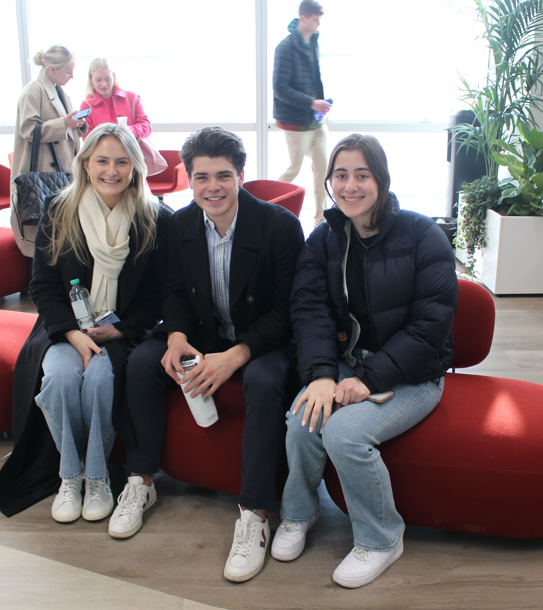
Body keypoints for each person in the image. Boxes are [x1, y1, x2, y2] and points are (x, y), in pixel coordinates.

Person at [116, 127, 305, 583]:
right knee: (143, 361)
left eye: (223, 175)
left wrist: (237, 355)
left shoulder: (279, 226)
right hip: (201, 333)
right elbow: (174, 291)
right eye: (201, 177)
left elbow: (287, 311)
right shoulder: (179, 224)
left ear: (241, 175)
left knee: (262, 381)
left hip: (263, 340)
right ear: (188, 178)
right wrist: (177, 335)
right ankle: (141, 481)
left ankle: (255, 511)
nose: (212, 187)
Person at [270, 134, 458, 588]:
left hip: (415, 373)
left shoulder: (421, 234)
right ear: (330, 182)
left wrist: (368, 378)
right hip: (349, 364)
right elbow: (309, 310)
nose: (350, 186)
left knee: (344, 433)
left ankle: (381, 538)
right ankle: (298, 514)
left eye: (362, 175)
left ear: (381, 179)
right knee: (301, 418)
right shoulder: (324, 238)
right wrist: (320, 375)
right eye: (341, 175)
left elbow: (429, 326)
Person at [0, 124, 171, 525]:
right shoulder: (60, 209)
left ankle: (97, 479)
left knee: (99, 381)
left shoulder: (154, 218)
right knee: (57, 378)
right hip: (65, 328)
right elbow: (41, 285)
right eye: (102, 161)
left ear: (135, 167)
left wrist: (120, 331)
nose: (112, 170)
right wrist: (73, 334)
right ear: (86, 164)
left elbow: (158, 297)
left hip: (121, 331)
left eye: (122, 161)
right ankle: (69, 476)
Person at [11, 45, 88, 258]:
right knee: (44, 230)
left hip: (61, 168)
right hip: (44, 169)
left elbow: (63, 125)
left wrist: (77, 124)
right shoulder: (33, 90)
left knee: (60, 228)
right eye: (68, 71)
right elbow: (29, 129)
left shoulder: (59, 91)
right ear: (53, 69)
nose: (72, 76)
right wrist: (64, 122)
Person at [273, 0, 331, 226]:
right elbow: (280, 89)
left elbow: (315, 82)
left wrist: (321, 108)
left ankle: (321, 220)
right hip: (296, 122)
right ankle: (262, 204)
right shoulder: (285, 47)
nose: (318, 25)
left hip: (316, 122)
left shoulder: (313, 44)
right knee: (293, 169)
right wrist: (311, 103)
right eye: (316, 19)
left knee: (323, 170)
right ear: (304, 18)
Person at [79, 57, 166, 177]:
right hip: (104, 161)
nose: (103, 84)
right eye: (98, 79)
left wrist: (128, 131)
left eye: (108, 79)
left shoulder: (131, 98)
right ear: (91, 79)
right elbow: (86, 136)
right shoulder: (86, 105)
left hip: (132, 158)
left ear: (114, 77)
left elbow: (146, 126)